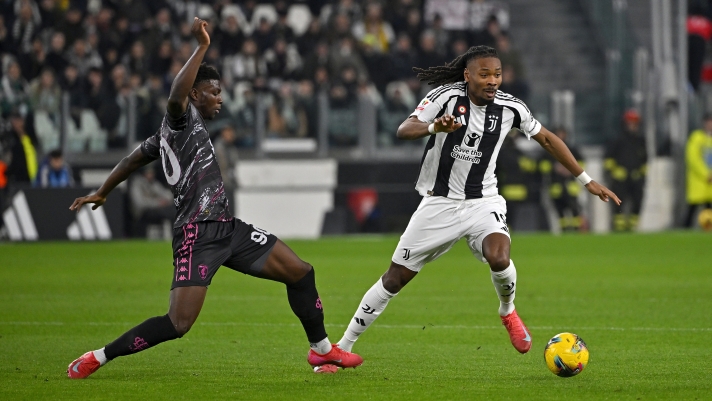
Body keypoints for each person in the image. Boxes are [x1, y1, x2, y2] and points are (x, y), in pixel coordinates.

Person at [66, 18, 362, 379]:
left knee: (300, 272)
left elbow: (131, 160)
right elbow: (174, 96)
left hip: (227, 229)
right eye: (214, 91)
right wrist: (202, 46)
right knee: (178, 323)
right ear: (195, 94)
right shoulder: (180, 118)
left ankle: (321, 351)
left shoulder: (167, 135)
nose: (220, 98)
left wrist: (103, 190)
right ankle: (99, 356)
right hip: (196, 234)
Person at [317, 45, 620, 372]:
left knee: (499, 256)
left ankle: (508, 311)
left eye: (498, 74)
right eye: (485, 74)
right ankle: (341, 348)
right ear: (467, 75)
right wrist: (436, 127)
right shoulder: (444, 97)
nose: (493, 81)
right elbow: (404, 129)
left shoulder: (510, 107)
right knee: (394, 279)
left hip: (483, 201)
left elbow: (546, 138)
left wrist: (586, 179)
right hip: (439, 203)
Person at [604, 109, 647, 231]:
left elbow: (645, 160)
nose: (633, 126)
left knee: (637, 202)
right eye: (630, 123)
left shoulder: (640, 140)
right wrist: (615, 171)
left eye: (635, 123)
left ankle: (633, 227)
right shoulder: (617, 139)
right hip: (620, 179)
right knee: (618, 204)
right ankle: (619, 229)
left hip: (636, 178)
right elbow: (608, 159)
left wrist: (641, 174)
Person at [684, 113, 712, 227]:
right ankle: (684, 231)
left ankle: (707, 230)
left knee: (708, 209)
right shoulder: (696, 138)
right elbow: (693, 159)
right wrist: (706, 174)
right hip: (699, 182)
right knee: (692, 209)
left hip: (709, 184)